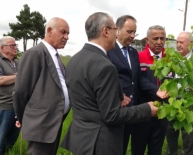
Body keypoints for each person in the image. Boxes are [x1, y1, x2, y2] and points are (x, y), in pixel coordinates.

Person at [60, 12, 159, 155]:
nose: (116, 33)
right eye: (114, 29)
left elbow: (89, 96)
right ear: (106, 31)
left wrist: (117, 96)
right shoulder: (104, 65)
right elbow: (112, 115)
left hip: (81, 139)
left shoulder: (75, 59)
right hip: (100, 143)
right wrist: (147, 109)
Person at [107, 15, 167, 155]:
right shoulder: (109, 50)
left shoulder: (133, 53)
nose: (133, 35)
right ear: (118, 30)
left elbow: (137, 79)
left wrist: (156, 90)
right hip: (114, 108)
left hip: (132, 109)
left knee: (124, 145)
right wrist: (117, 94)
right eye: (129, 31)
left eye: (134, 32)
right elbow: (106, 77)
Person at [13, 17, 70, 155]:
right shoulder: (35, 53)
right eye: (63, 32)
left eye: (68, 34)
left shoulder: (55, 56)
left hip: (54, 123)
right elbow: (21, 92)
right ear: (49, 31)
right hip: (40, 125)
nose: (66, 37)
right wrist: (24, 119)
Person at [129, 25, 168, 155]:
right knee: (138, 148)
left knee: (156, 149)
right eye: (155, 38)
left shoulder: (170, 59)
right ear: (147, 40)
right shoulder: (138, 57)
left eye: (162, 38)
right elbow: (137, 81)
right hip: (142, 111)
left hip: (163, 113)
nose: (159, 42)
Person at [0, 36, 20, 155]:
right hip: (2, 107)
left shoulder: (18, 63)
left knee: (10, 140)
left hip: (18, 108)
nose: (16, 47)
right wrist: (19, 76)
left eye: (16, 45)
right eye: (12, 45)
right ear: (3, 48)